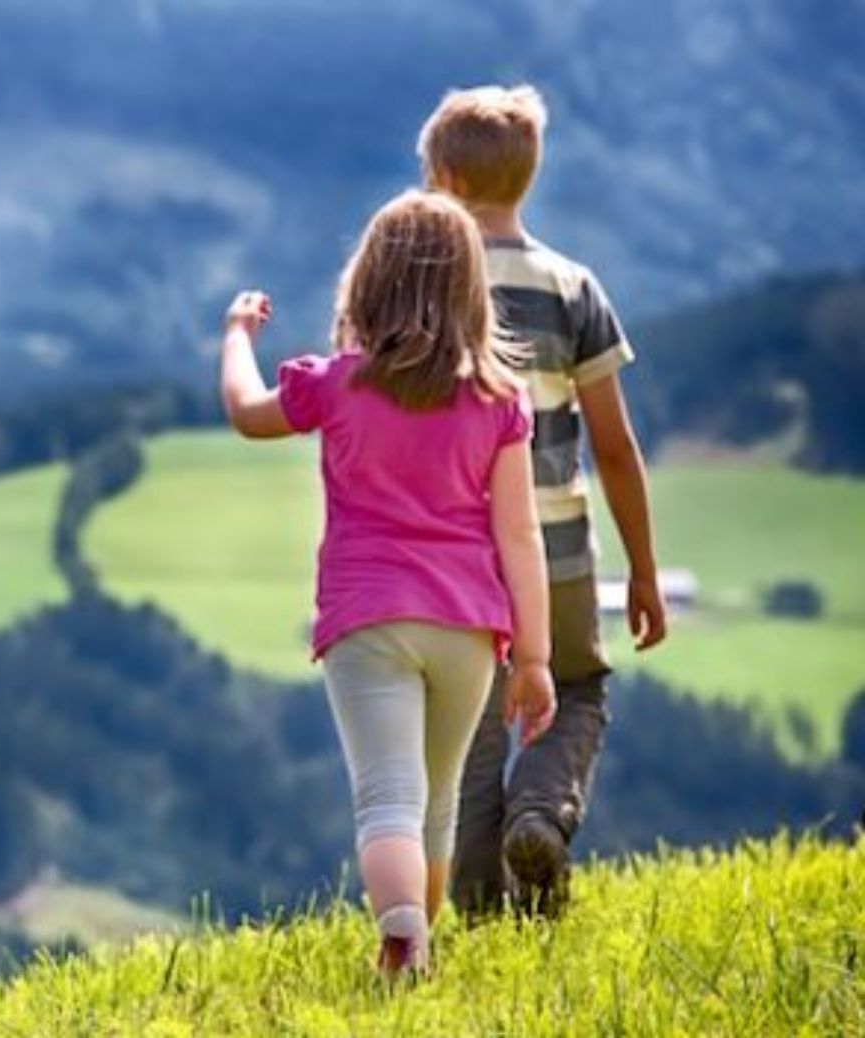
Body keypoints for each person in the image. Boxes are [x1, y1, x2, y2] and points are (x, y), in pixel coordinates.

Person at [217, 189, 557, 978]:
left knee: (386, 797)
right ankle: (418, 948)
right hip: (469, 625)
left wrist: (236, 335)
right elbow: (519, 533)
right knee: (437, 802)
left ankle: (401, 932)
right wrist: (534, 658)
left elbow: (244, 410)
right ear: (471, 294)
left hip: (365, 619)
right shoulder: (499, 402)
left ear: (365, 286)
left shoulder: (334, 384)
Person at [416, 84, 668, 919]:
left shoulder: (423, 287)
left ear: (444, 179)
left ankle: (487, 912)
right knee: (578, 688)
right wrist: (644, 571)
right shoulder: (572, 285)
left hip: (455, 557)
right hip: (558, 548)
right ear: (529, 175)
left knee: (475, 735)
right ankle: (542, 814)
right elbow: (616, 447)